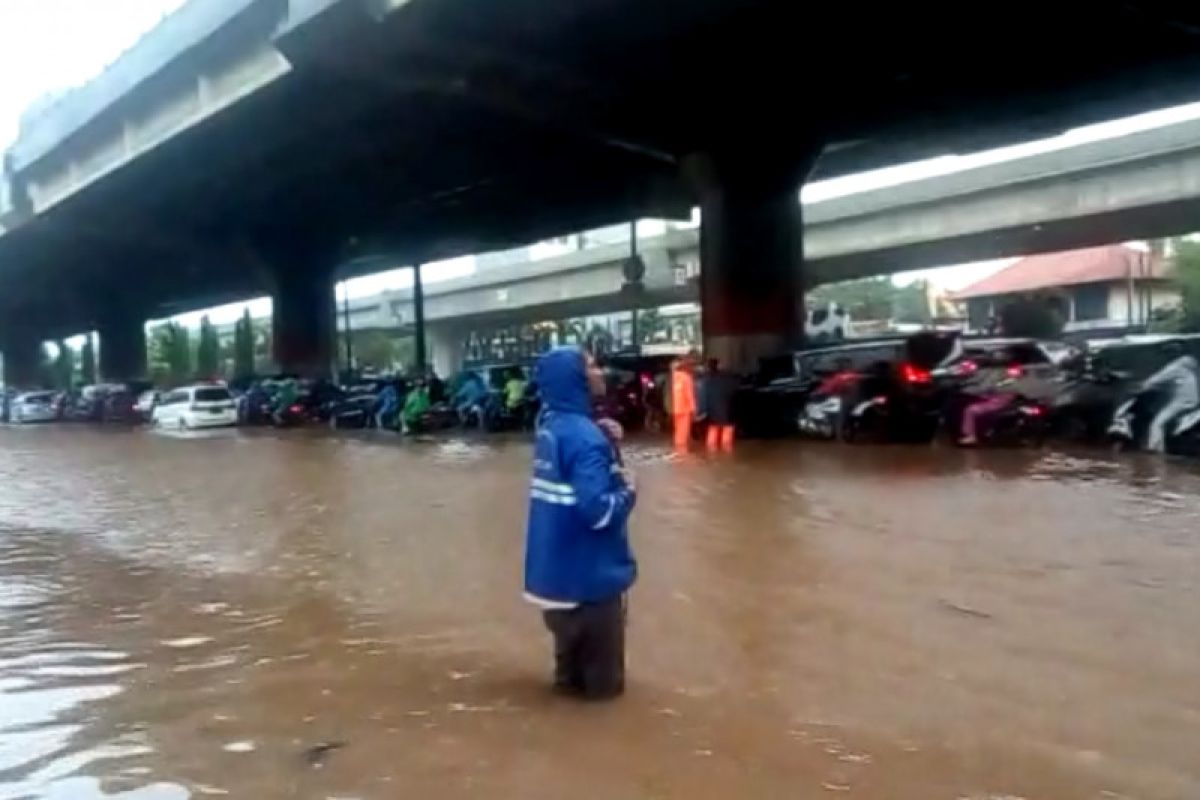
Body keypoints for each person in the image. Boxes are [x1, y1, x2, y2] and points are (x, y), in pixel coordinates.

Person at [525, 347, 637, 700]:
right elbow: (599, 512)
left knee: (566, 688)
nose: (600, 371)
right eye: (591, 366)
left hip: (554, 585)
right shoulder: (585, 439)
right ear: (575, 379)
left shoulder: (550, 428)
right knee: (603, 701)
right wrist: (630, 489)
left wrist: (603, 438)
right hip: (591, 587)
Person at [1141, 348, 1199, 452]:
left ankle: (1156, 450)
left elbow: (1156, 379)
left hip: (1183, 401)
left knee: (1157, 423)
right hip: (1192, 401)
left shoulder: (1175, 367)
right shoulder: (1189, 367)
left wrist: (1143, 385)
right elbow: (1173, 384)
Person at [703, 358, 738, 449]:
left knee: (713, 429)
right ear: (718, 365)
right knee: (727, 429)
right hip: (726, 409)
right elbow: (734, 390)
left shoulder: (706, 378)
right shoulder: (728, 377)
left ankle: (711, 451)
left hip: (712, 410)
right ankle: (726, 452)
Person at [669, 355, 697, 448]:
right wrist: (694, 409)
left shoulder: (674, 376)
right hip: (685, 409)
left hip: (675, 409)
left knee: (678, 432)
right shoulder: (686, 377)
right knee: (683, 433)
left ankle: (679, 451)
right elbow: (689, 395)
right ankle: (682, 456)